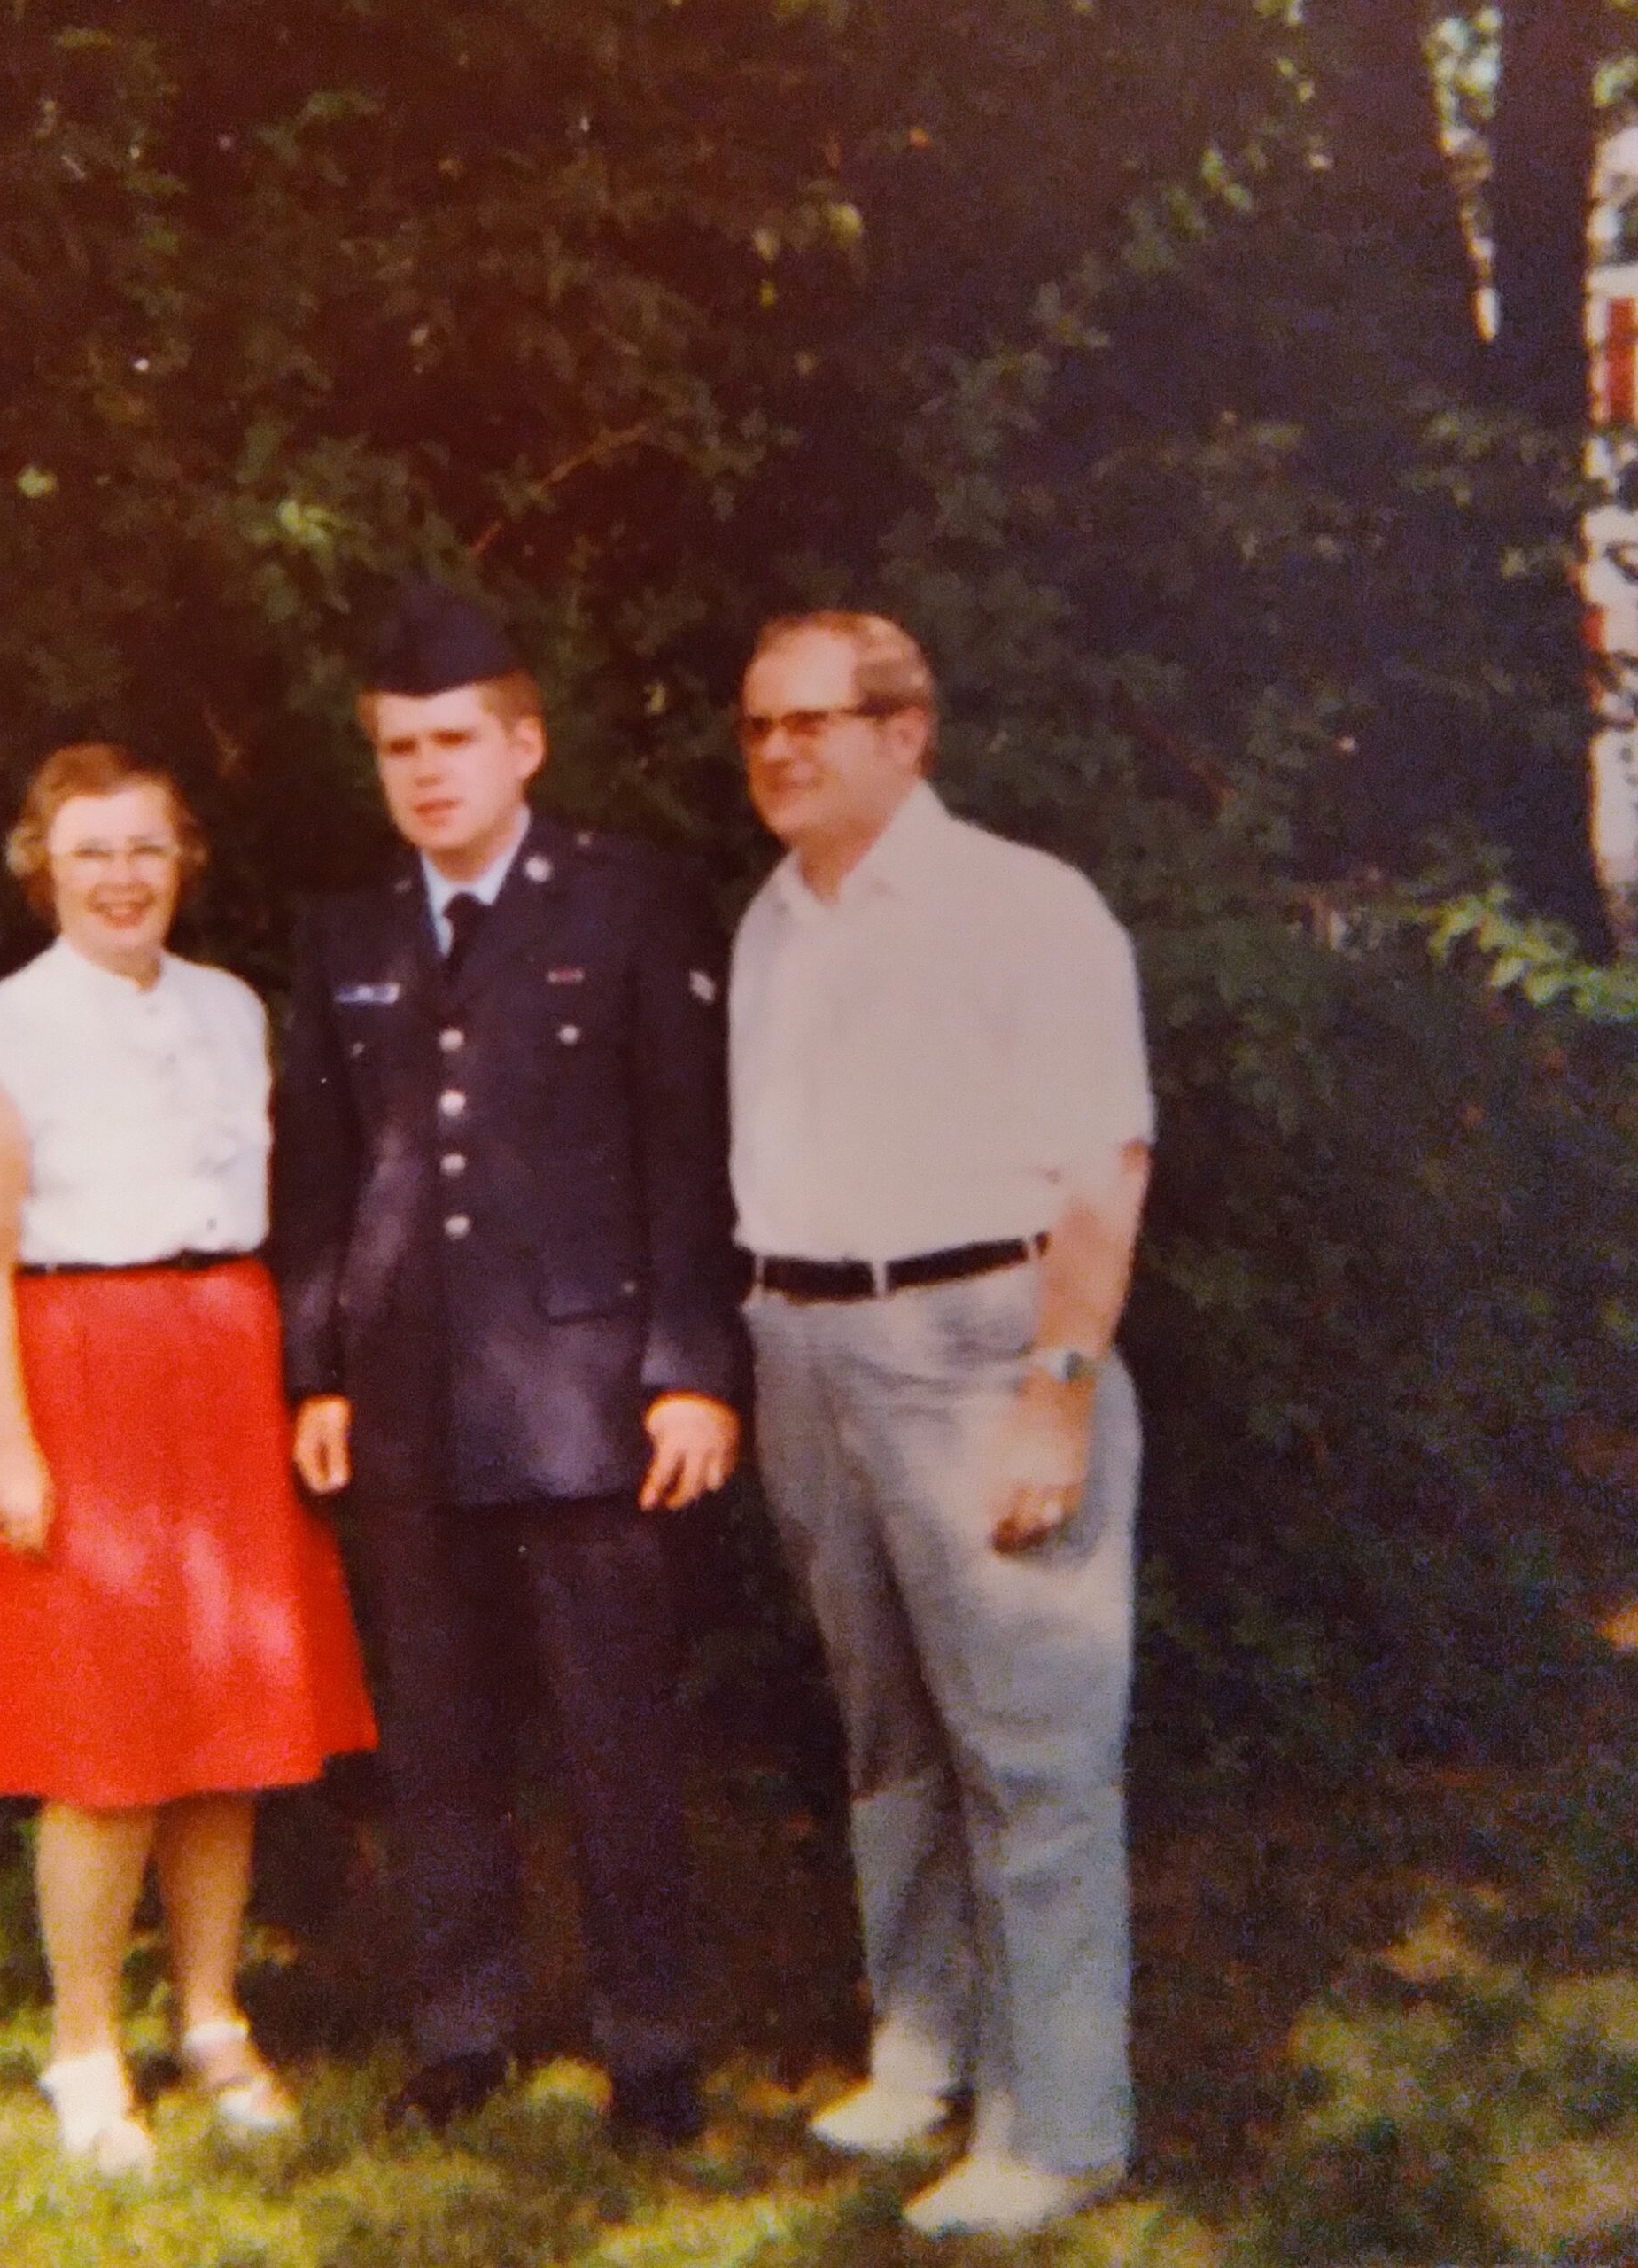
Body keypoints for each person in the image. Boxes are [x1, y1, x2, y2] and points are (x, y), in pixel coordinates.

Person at [273, 583, 742, 2144]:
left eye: (455, 741)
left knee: (617, 1734)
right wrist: (316, 1369)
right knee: (441, 1737)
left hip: (587, 1398)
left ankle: (650, 2040)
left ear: (525, 745)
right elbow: (320, 1171)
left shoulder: (628, 902)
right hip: (406, 1399)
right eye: (399, 748)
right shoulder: (344, 934)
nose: (427, 772)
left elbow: (686, 1148)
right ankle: (461, 2029)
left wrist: (692, 1365)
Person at [729, 612, 1153, 2241]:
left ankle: (1061, 2128)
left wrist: (1058, 1393)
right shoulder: (771, 922)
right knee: (886, 1728)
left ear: (907, 733)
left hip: (985, 1350)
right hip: (804, 1349)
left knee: (1032, 1748)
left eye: (813, 721)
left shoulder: (1025, 907)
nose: (778, 750)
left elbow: (1102, 1168)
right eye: (758, 725)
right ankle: (924, 2054)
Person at [0, 743, 377, 2175]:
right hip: (79, 1380)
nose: (122, 878)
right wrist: (14, 1447)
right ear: (42, 871)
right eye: (91, 853)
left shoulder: (233, 1010)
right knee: (101, 1744)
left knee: (227, 1729)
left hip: (227, 1364)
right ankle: (83, 2047)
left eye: (145, 849)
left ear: (182, 861)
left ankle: (211, 2019)